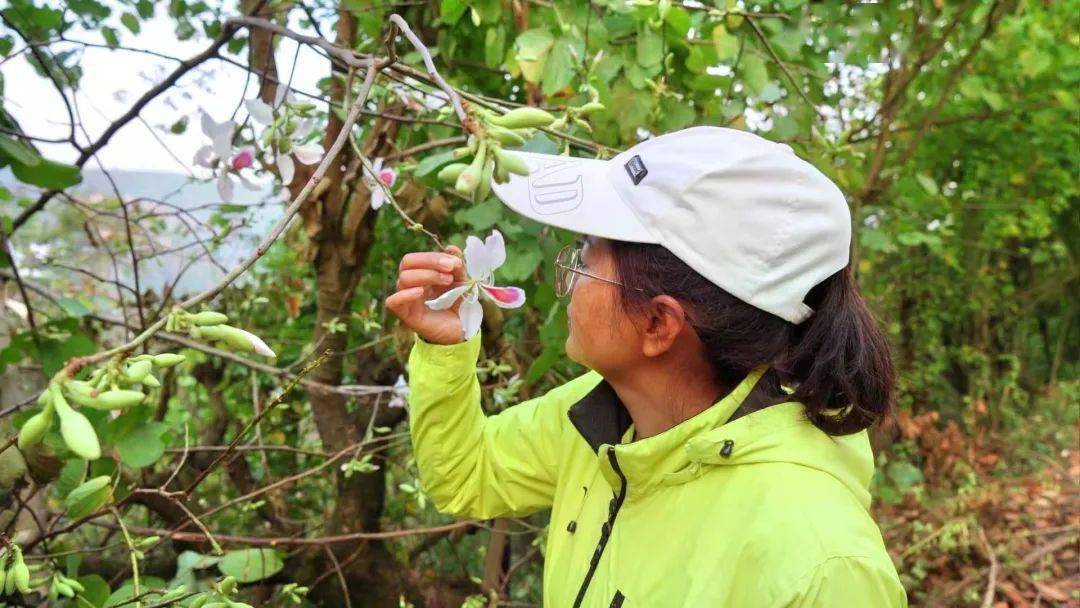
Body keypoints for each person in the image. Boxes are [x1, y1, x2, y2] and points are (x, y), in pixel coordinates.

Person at [385, 126, 907, 607]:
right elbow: (466, 474)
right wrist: (448, 349)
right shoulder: (599, 417)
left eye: (587, 256)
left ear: (659, 323)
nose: (567, 276)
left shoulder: (822, 567)